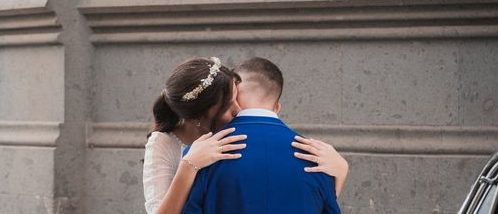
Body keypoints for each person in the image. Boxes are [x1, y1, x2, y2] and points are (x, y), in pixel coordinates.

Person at [143, 56, 348, 214]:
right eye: (229, 103)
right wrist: (188, 165)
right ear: (205, 112)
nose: (238, 109)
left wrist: (341, 170)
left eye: (237, 99)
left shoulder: (216, 153)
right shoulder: (174, 147)